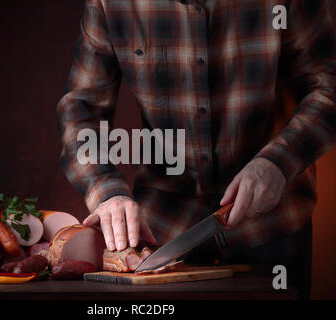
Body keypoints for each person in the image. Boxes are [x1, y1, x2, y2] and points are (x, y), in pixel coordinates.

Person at [57, 0, 336, 298]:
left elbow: (328, 85)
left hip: (272, 230)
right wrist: (107, 189)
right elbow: (81, 108)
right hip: (164, 236)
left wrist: (280, 160)